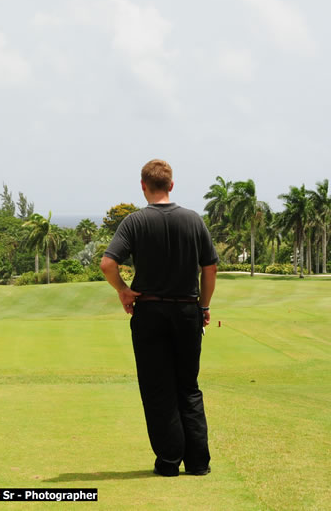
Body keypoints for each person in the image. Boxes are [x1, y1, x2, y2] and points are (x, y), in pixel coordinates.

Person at [100, 159, 218, 477]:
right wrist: (204, 307)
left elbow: (108, 264)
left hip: (150, 312)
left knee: (158, 388)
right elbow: (210, 268)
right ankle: (198, 462)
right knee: (188, 387)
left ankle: (168, 461)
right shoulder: (194, 220)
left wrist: (124, 290)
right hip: (187, 311)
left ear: (143, 186)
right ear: (171, 185)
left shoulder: (135, 222)